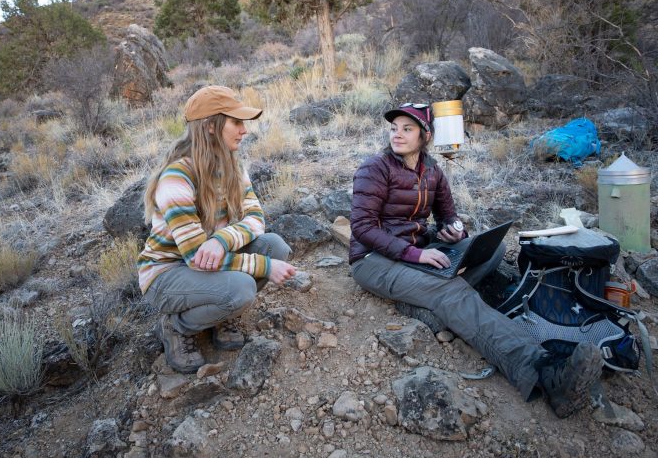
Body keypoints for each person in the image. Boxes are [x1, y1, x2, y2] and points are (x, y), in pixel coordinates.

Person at [349, 102, 603, 418]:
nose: (397, 134)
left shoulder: (432, 171)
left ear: (425, 136)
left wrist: (454, 230)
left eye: (407, 128)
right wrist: (416, 254)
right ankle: (542, 372)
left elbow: (447, 216)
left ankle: (426, 301)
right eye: (394, 128)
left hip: (415, 252)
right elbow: (362, 227)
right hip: (373, 260)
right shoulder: (375, 169)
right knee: (449, 291)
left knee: (491, 249)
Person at [138, 85, 297, 373]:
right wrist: (264, 266)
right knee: (243, 287)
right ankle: (177, 327)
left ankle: (221, 315)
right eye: (236, 122)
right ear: (211, 126)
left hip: (207, 260)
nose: (244, 130)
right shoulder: (177, 176)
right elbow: (196, 257)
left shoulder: (233, 167)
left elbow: (256, 219)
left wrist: (222, 240)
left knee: (275, 247)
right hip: (167, 274)